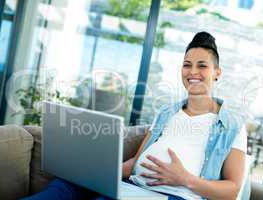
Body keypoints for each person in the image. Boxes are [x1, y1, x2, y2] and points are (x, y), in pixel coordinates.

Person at [24, 31, 247, 200]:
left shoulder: (232, 124)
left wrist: (184, 179)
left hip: (173, 196)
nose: (193, 72)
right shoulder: (167, 112)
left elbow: (232, 190)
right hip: (134, 187)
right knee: (65, 185)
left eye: (202, 66)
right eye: (187, 65)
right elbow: (135, 162)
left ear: (217, 73)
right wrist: (95, 174)